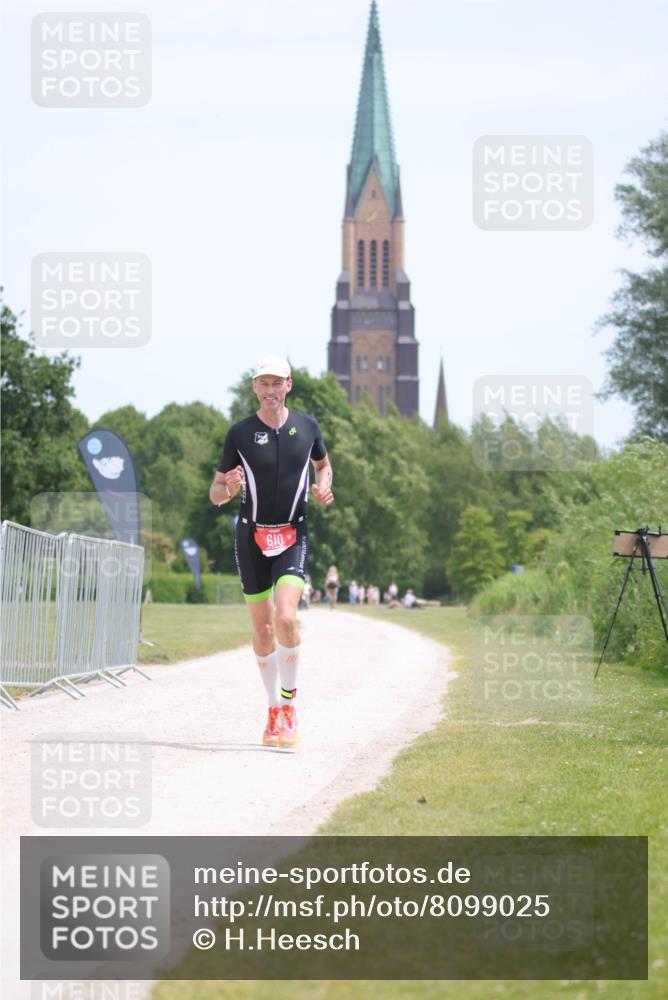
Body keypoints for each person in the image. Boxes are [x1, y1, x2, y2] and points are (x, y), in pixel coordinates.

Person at [209, 356, 334, 749]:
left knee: (285, 618)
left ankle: (289, 705)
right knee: (262, 629)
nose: (269, 391)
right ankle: (271, 709)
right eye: (262, 384)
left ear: (288, 385)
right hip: (251, 538)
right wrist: (228, 487)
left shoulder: (308, 426)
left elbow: (324, 466)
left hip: (293, 534)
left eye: (275, 383)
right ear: (253, 389)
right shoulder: (239, 433)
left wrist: (324, 485)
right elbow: (214, 494)